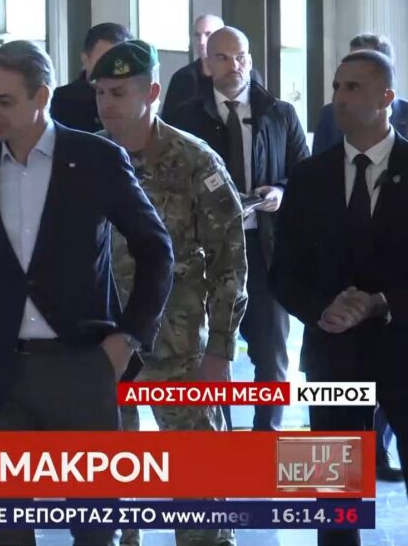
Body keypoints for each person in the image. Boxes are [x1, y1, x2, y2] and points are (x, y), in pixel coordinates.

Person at [0, 40, 174, 546]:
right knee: (5, 529)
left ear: (41, 96)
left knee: (94, 528)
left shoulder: (95, 159)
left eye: (5, 101)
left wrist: (126, 340)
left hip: (79, 366)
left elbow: (156, 251)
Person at [92, 40, 245, 546]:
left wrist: (220, 348)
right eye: (100, 92)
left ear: (152, 92)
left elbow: (229, 261)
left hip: (178, 351)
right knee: (110, 487)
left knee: (198, 485)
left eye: (119, 92)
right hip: (105, 348)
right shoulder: (87, 160)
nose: (106, 104)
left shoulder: (195, 162)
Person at [270, 49, 408, 546]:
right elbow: (283, 272)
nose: (339, 99)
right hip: (331, 356)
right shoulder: (309, 177)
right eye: (336, 87)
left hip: (402, 350)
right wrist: (322, 309)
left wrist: (381, 302)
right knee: (333, 503)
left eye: (353, 88)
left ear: (386, 97)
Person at [164, 27, 309, 431]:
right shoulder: (182, 118)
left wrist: (280, 191)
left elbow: (306, 174)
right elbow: (168, 183)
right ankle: (222, 437)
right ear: (207, 65)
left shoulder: (279, 114)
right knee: (211, 354)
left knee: (271, 353)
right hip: (205, 253)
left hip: (263, 248)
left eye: (241, 56)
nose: (235, 65)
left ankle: (266, 436)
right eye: (223, 58)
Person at [312, 34, 408, 157]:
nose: (352, 67)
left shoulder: (405, 114)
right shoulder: (329, 115)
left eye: (363, 60)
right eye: (351, 59)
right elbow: (318, 164)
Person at [161, 14, 264, 114]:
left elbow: (262, 114)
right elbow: (168, 119)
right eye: (197, 35)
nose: (201, 41)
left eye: (208, 34)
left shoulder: (249, 75)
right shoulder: (182, 78)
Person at [50, 22, 132, 132]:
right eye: (104, 60)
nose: (112, 68)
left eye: (119, 62)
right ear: (85, 60)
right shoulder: (60, 101)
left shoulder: (135, 98)